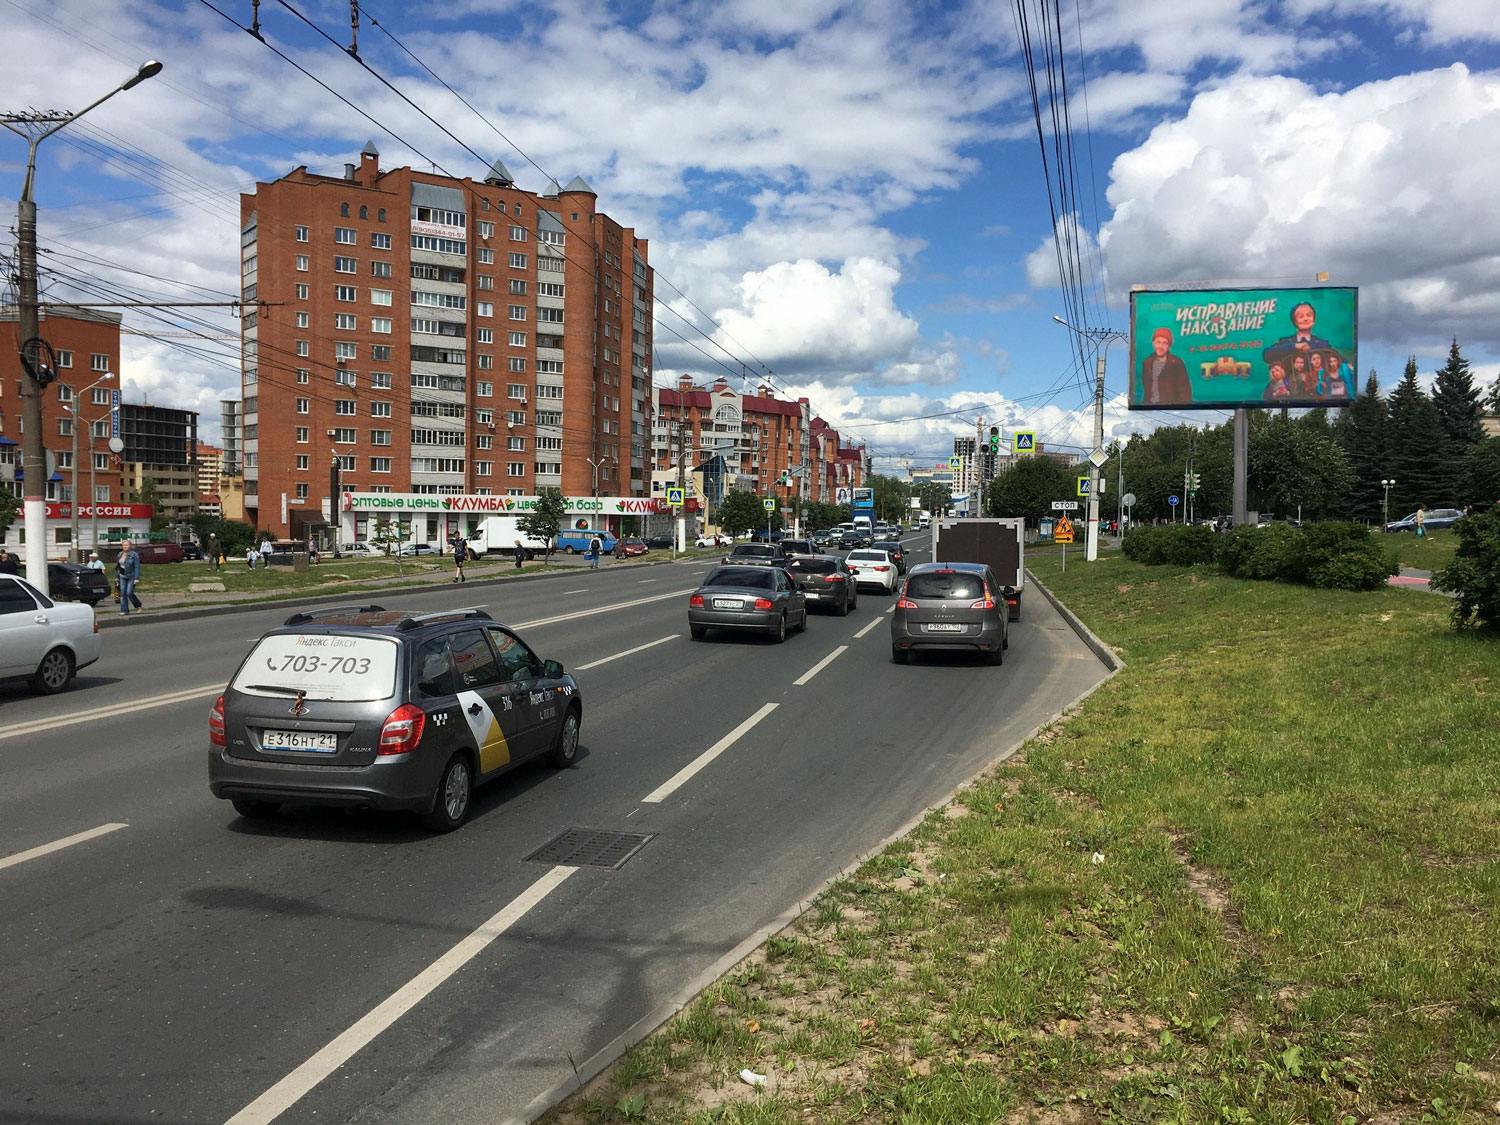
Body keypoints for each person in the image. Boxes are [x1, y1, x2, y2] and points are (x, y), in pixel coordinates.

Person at [1263, 300, 1331, 363]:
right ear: (1294, 322)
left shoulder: (1322, 344)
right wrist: (1294, 346)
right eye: (1301, 316)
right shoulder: (1285, 342)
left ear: (1314, 320)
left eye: (1309, 315)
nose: (1305, 319)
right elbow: (1267, 355)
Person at [1137, 327, 1192, 405]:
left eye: (1164, 343)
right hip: (1150, 408)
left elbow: (1185, 393)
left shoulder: (1177, 363)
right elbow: (1147, 390)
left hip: (1171, 410)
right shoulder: (1147, 363)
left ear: (1169, 346)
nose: (1160, 346)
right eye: (1158, 342)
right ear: (1153, 343)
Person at [116, 539, 143, 615]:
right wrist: (117, 576)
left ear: (130, 546)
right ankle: (124, 610)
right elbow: (118, 566)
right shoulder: (120, 554)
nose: (125, 546)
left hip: (131, 576)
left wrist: (136, 578)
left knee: (129, 593)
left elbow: (137, 566)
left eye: (127, 545)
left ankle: (138, 605)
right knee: (123, 593)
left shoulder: (134, 555)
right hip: (122, 576)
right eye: (124, 545)